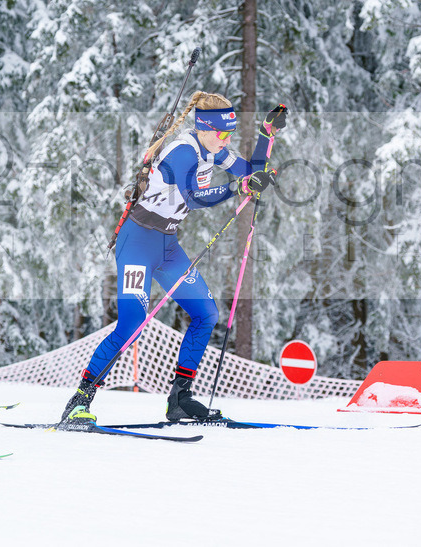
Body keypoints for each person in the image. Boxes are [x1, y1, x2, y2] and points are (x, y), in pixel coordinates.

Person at [58, 93, 286, 427]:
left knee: (205, 313)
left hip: (167, 246)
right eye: (223, 133)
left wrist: (267, 134)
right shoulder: (182, 151)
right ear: (205, 127)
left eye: (231, 133)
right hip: (137, 242)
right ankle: (79, 401)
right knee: (132, 322)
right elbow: (192, 197)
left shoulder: (215, 149)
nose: (227, 139)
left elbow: (250, 170)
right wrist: (238, 188)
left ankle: (179, 399)